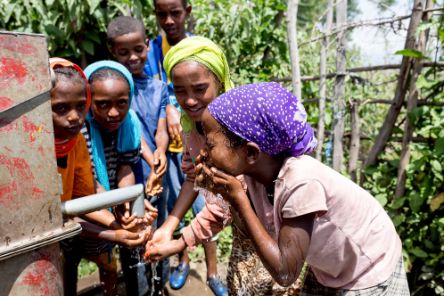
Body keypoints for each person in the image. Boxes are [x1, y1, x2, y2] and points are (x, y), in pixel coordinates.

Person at [195, 82, 409, 295]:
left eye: (210, 144)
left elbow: (285, 273)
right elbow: (248, 227)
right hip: (332, 266)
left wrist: (239, 199)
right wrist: (227, 195)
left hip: (369, 267)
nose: (202, 152)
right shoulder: (254, 175)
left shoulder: (301, 182)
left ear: (251, 153)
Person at [146, 37, 299, 296]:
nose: (190, 100)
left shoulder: (236, 131)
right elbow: (195, 180)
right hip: (244, 231)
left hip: (275, 232)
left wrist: (179, 242)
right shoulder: (190, 127)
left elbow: (227, 201)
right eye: (180, 90)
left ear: (219, 80)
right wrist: (168, 226)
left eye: (199, 88)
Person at [49, 58, 150, 296]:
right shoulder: (30, 150)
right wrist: (113, 230)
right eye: (61, 108)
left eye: (79, 106)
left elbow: (83, 198)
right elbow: (52, 218)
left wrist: (118, 223)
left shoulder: (75, 142)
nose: (74, 117)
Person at [144, 0, 223, 292]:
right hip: (177, 149)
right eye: (160, 14)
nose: (167, 20)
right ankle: (183, 261)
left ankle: (213, 273)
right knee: (182, 203)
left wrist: (174, 238)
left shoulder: (228, 135)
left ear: (187, 12)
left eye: (174, 13)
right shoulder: (151, 50)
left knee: (207, 207)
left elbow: (221, 209)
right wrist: (168, 230)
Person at [106, 16, 171, 295]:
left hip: (156, 176)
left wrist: (161, 151)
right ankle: (139, 290)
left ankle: (160, 285)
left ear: (147, 46)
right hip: (128, 180)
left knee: (159, 231)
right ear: (112, 52)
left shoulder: (158, 88)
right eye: (124, 52)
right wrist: (149, 157)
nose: (133, 57)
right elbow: (129, 131)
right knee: (134, 238)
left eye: (138, 50)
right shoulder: (112, 89)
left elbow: (161, 128)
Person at [82, 60, 157, 295]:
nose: (113, 113)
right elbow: (88, 181)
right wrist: (120, 203)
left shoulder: (129, 123)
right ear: (88, 100)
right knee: (71, 260)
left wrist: (127, 204)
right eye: (102, 104)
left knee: (109, 262)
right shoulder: (79, 128)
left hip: (109, 200)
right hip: (84, 203)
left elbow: (125, 167)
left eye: (121, 103)